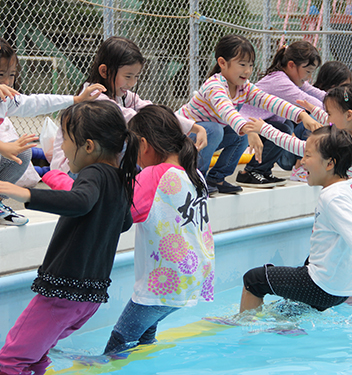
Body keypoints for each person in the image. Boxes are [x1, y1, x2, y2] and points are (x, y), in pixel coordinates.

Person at [0, 100, 139, 374]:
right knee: (36, 354)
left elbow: (80, 202)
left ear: (88, 146)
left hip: (63, 291)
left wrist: (25, 194)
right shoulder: (120, 179)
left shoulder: (94, 173)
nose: (61, 147)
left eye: (66, 140)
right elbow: (125, 222)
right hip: (90, 297)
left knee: (10, 360)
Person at [239, 126, 352, 314]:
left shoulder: (334, 198)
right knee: (290, 303)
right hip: (342, 285)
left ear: (330, 163)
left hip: (323, 286)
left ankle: (245, 329)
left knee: (254, 280)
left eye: (307, 155)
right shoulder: (351, 187)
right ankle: (288, 324)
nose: (302, 161)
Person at [104, 105, 214, 354]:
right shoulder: (195, 173)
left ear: (143, 144)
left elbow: (121, 215)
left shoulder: (153, 175)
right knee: (143, 342)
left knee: (117, 348)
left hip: (163, 283)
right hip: (194, 275)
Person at [177, 35, 321, 194]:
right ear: (222, 63)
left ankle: (216, 178)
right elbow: (228, 112)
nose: (248, 71)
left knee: (238, 136)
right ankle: (196, 178)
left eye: (251, 65)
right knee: (215, 129)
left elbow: (270, 102)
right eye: (242, 64)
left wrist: (302, 115)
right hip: (182, 138)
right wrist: (249, 129)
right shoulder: (214, 85)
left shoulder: (243, 87)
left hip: (204, 138)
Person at [50, 36, 207, 173]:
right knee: (129, 143)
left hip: (95, 164)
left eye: (136, 76)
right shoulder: (94, 96)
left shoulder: (123, 95)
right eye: (128, 76)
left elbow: (150, 110)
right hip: (71, 168)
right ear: (104, 71)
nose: (132, 83)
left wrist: (196, 127)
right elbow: (136, 118)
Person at [0, 37, 105, 226]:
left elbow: (37, 102)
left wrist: (76, 99)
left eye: (12, 74)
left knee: (23, 153)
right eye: (1, 74)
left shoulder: (6, 100)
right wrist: (2, 147)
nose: (8, 81)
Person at [247, 83, 352, 232]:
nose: (327, 117)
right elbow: (335, 121)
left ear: (349, 115)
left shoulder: (346, 145)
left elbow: (299, 146)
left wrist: (265, 129)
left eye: (329, 113)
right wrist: (313, 110)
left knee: (321, 254)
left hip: (347, 222)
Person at [237, 40, 324, 186]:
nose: (309, 77)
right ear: (291, 65)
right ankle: (253, 171)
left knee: (286, 124)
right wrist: (334, 116)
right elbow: (306, 99)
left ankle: (263, 171)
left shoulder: (292, 79)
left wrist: (341, 104)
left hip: (260, 124)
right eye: (308, 71)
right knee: (283, 128)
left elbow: (317, 94)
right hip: (243, 123)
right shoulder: (279, 80)